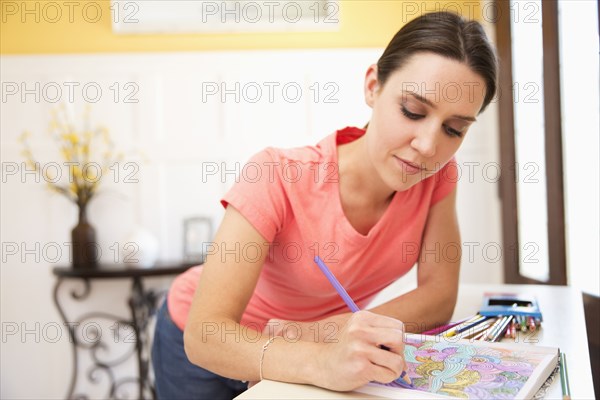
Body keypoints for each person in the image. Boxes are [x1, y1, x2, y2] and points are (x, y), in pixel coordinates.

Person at [151, 10, 498, 400]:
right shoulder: (275, 174)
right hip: (201, 348)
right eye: (413, 111)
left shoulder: (437, 177)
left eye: (454, 129)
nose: (429, 146)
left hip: (302, 354)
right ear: (373, 86)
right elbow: (205, 336)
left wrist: (316, 334)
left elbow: (438, 297)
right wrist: (320, 358)